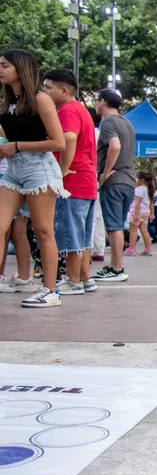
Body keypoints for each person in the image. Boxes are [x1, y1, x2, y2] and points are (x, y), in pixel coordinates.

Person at [0, 50, 67, 307]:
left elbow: (58, 142)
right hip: (14, 169)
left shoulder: (40, 99)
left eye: (5, 65)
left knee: (43, 231)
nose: (1, 69)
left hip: (39, 168)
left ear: (20, 69)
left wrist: (16, 145)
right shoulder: (9, 102)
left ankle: (51, 291)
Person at [43, 69, 99, 296]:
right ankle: (85, 278)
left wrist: (62, 169)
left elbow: (68, 137)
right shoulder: (82, 110)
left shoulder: (67, 111)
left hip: (73, 182)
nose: (45, 92)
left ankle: (73, 281)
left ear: (64, 91)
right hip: (86, 181)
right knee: (83, 235)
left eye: (48, 88)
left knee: (71, 233)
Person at [92, 89, 136, 283]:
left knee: (114, 226)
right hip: (128, 180)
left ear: (102, 102)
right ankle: (114, 266)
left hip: (115, 180)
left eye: (96, 100)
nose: (94, 104)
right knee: (116, 224)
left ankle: (117, 268)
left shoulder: (108, 122)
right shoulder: (127, 123)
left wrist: (106, 171)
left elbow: (115, 146)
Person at [125, 171, 155, 256]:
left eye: (137, 178)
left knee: (133, 230)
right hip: (146, 212)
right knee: (144, 230)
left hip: (138, 212)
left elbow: (137, 203)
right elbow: (152, 203)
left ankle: (131, 249)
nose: (136, 180)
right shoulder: (149, 189)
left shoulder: (139, 190)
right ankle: (148, 249)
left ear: (142, 180)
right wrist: (152, 213)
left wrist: (136, 215)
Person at [89, 108, 105, 262]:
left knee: (86, 215)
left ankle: (87, 247)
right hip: (98, 176)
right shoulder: (101, 134)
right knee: (98, 215)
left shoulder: (87, 133)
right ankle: (98, 249)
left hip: (86, 175)